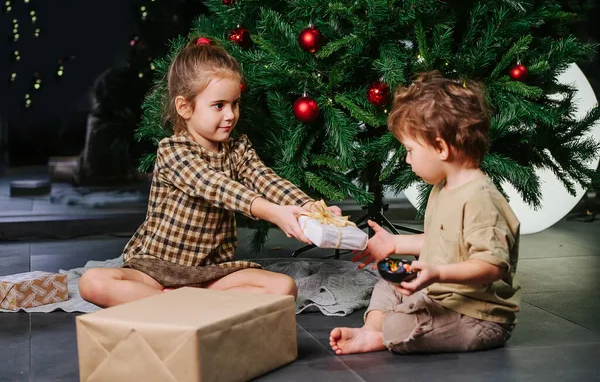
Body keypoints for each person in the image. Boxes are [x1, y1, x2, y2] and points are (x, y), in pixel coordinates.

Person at [79, 37, 340, 308]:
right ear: (185, 107)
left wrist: (309, 207)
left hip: (211, 273)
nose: (230, 115)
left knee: (284, 287)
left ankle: (179, 305)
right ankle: (191, 305)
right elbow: (215, 186)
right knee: (92, 282)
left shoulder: (238, 149)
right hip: (157, 270)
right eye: (219, 105)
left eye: (235, 104)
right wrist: (273, 213)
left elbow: (266, 180)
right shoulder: (173, 151)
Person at [330, 71, 521, 355]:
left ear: (441, 147)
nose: (407, 160)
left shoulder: (481, 200)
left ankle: (386, 334)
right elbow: (440, 240)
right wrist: (395, 243)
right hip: (442, 295)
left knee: (398, 325)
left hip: (477, 316)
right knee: (386, 287)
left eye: (409, 150)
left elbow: (491, 266)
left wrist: (438, 273)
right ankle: (372, 332)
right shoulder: (443, 188)